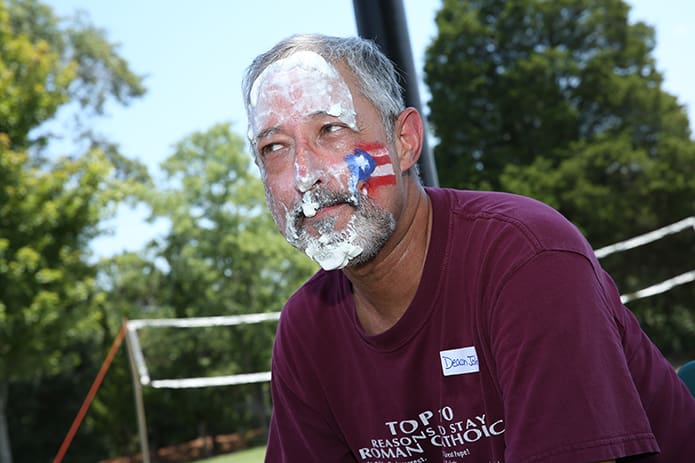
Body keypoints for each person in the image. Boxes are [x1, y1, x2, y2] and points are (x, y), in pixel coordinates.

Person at [241, 33, 695, 463]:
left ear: (405, 142)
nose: (304, 176)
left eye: (331, 129)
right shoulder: (306, 330)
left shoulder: (528, 258)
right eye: (274, 148)